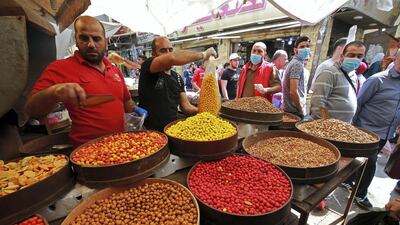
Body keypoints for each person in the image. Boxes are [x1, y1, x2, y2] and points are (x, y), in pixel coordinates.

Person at [24, 16, 146, 147]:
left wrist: (135, 109)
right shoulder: (60, 68)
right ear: (76, 40)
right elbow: (31, 110)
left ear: (105, 41)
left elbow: (126, 101)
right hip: (87, 151)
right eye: (84, 38)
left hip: (121, 146)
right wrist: (55, 92)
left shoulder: (114, 70)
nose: (91, 44)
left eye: (96, 39)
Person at [352, 49, 400, 209]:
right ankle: (360, 194)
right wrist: (354, 129)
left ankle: (349, 182)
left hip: (386, 132)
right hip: (367, 131)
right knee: (370, 164)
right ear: (396, 58)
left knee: (365, 162)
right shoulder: (377, 80)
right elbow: (358, 104)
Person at [139, 36, 217, 131]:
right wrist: (204, 54)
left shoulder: (177, 78)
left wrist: (204, 111)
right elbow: (172, 57)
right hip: (150, 132)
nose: (168, 53)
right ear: (153, 54)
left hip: (172, 130)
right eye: (163, 51)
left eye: (170, 50)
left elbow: (185, 106)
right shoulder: (148, 67)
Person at [310, 41, 366, 123]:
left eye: (359, 56)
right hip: (327, 129)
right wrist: (323, 126)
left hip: (343, 129)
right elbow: (318, 103)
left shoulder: (353, 76)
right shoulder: (329, 73)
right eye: (351, 55)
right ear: (342, 56)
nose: (355, 58)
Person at [282, 36, 311, 118]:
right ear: (295, 50)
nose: (305, 49)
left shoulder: (295, 63)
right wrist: (300, 110)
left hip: (291, 109)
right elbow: (293, 91)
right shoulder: (297, 64)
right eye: (302, 47)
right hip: (294, 111)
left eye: (307, 46)